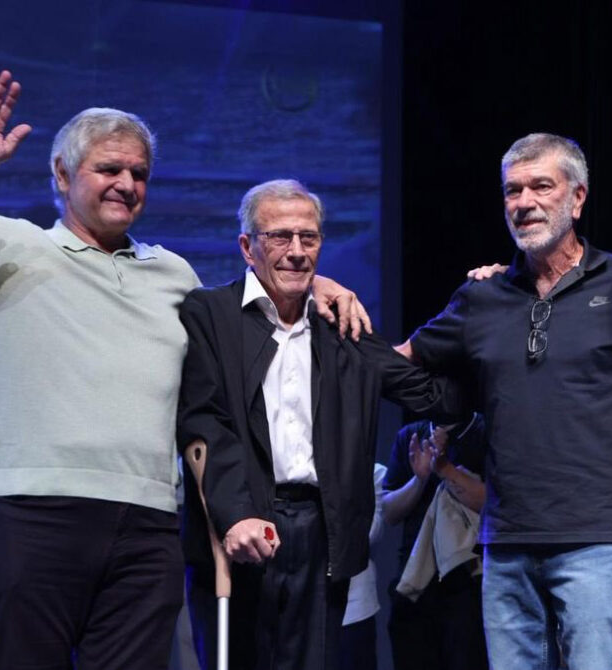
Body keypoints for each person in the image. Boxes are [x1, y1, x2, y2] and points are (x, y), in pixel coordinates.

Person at [0, 70, 367, 670]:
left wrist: (312, 284)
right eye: (109, 169)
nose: (127, 185)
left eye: (139, 174)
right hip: (33, 511)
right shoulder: (6, 246)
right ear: (62, 175)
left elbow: (243, 322)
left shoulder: (174, 274)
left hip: (148, 524)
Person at [396, 133, 612, 669]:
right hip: (505, 542)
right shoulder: (483, 296)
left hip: (597, 540)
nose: (524, 202)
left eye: (541, 186)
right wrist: (323, 301)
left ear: (578, 198)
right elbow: (400, 361)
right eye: (512, 190)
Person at [178, 179, 464, 670]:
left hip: (320, 529)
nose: (296, 251)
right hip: (241, 522)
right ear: (247, 247)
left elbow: (430, 395)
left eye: (308, 238)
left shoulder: (341, 325)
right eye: (280, 236)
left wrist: (480, 304)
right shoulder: (211, 314)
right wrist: (235, 515)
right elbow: (205, 420)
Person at [382, 415, 488, 670]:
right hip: (414, 581)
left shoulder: (485, 430)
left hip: (470, 581)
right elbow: (389, 512)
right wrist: (420, 479)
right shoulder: (410, 436)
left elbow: (495, 504)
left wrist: (445, 469)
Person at [339, 463, 387, 670]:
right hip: (304, 601)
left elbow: (369, 533)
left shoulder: (373, 473)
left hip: (355, 606)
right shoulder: (303, 472)